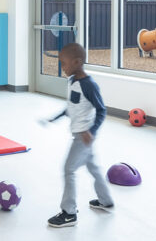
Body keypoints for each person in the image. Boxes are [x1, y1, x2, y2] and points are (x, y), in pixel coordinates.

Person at [44, 42, 113, 227]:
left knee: (68, 169)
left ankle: (69, 213)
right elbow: (72, 107)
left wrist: (92, 131)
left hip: (83, 136)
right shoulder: (72, 81)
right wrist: (55, 118)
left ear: (77, 62)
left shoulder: (89, 85)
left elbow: (102, 110)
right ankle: (106, 201)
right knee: (94, 168)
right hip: (81, 134)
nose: (62, 67)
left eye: (64, 63)